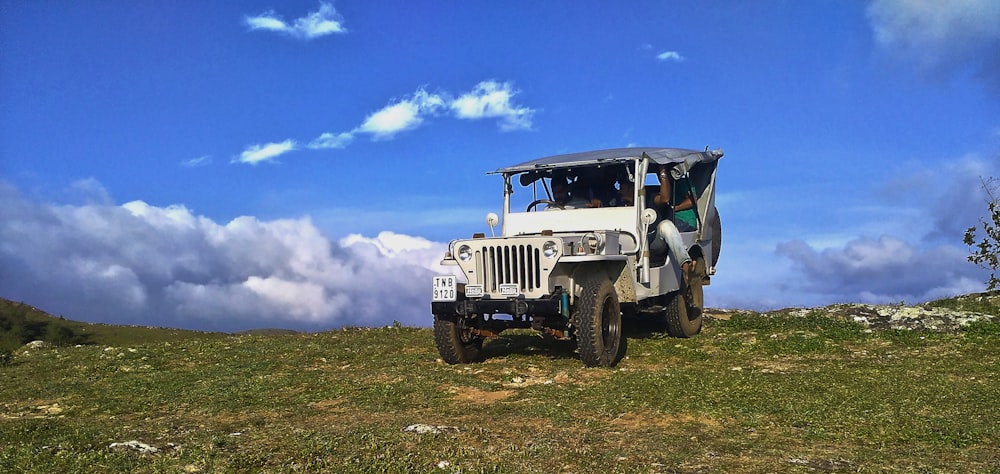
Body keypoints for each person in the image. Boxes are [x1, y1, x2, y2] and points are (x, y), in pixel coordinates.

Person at [650, 164, 693, 270]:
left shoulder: (681, 183)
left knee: (668, 228)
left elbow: (692, 200)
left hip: (684, 219)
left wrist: (675, 208)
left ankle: (685, 261)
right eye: (659, 173)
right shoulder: (665, 187)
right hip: (673, 217)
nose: (661, 176)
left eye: (662, 173)